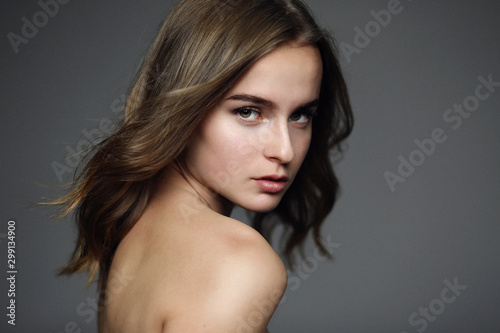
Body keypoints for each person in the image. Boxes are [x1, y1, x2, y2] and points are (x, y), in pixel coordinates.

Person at [52, 0, 353, 331]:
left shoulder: (133, 235)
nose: (285, 150)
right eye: (248, 111)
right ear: (185, 106)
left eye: (300, 115)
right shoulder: (236, 259)